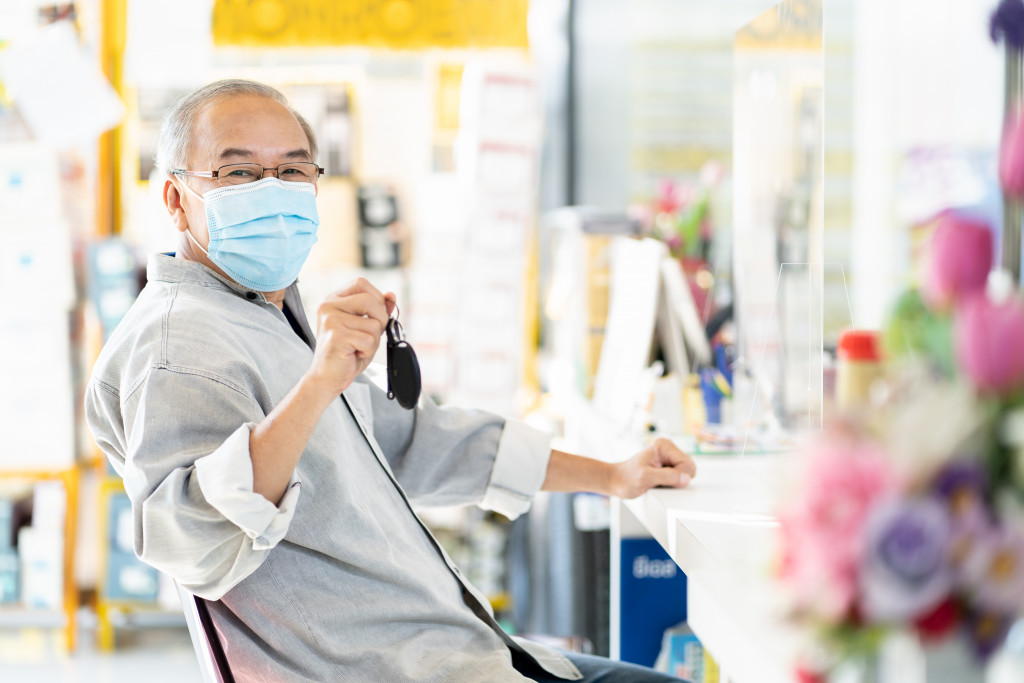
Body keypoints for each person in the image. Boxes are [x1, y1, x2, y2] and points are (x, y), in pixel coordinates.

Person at [85, 79, 696, 682]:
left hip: (451, 649)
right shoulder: (176, 346)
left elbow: (415, 443)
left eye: (294, 172)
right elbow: (191, 538)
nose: (273, 191)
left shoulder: (264, 312)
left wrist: (612, 476)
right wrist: (321, 380)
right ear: (174, 198)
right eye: (239, 173)